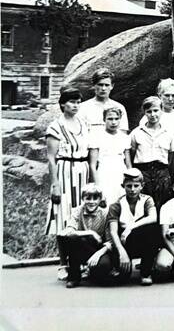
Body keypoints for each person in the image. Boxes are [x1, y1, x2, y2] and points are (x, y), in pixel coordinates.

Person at [45, 86, 92, 280]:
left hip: (83, 171)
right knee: (63, 218)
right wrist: (55, 184)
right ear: (63, 104)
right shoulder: (55, 127)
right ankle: (63, 263)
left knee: (82, 217)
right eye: (72, 102)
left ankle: (80, 262)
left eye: (78, 102)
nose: (75, 105)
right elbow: (51, 157)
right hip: (65, 173)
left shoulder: (84, 123)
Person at [100, 168, 161, 286]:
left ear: (142, 186)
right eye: (129, 186)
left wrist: (131, 227)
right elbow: (113, 232)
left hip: (141, 240)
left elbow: (153, 217)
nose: (132, 189)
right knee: (121, 279)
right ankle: (119, 266)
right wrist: (122, 252)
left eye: (136, 185)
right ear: (123, 186)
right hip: (124, 243)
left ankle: (145, 272)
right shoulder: (116, 205)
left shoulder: (147, 199)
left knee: (152, 229)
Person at [55, 183, 111, 288]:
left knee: (103, 268)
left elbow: (109, 241)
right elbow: (69, 231)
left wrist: (98, 255)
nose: (91, 202)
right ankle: (74, 276)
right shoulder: (77, 211)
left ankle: (92, 272)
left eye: (95, 198)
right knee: (71, 239)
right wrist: (91, 233)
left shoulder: (105, 214)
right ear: (83, 198)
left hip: (99, 249)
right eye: (88, 198)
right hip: (81, 246)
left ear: (100, 200)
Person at [130, 96, 174, 210]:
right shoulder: (136, 133)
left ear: (161, 111)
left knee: (163, 203)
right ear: (145, 113)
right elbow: (132, 153)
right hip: (143, 172)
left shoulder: (168, 133)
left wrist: (167, 174)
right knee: (144, 204)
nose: (153, 114)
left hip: (162, 173)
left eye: (156, 110)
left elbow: (171, 157)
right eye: (149, 111)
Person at [88, 106, 132, 206]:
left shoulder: (125, 137)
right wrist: (97, 186)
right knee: (106, 204)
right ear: (104, 120)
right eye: (110, 119)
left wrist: (130, 181)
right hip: (104, 174)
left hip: (121, 173)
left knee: (121, 204)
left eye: (116, 119)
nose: (113, 122)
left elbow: (128, 163)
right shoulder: (96, 136)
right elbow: (92, 165)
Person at [78, 67, 129, 133]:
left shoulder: (119, 107)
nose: (103, 88)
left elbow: (122, 134)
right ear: (94, 85)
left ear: (112, 86)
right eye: (100, 85)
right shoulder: (83, 107)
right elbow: (80, 133)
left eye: (107, 85)